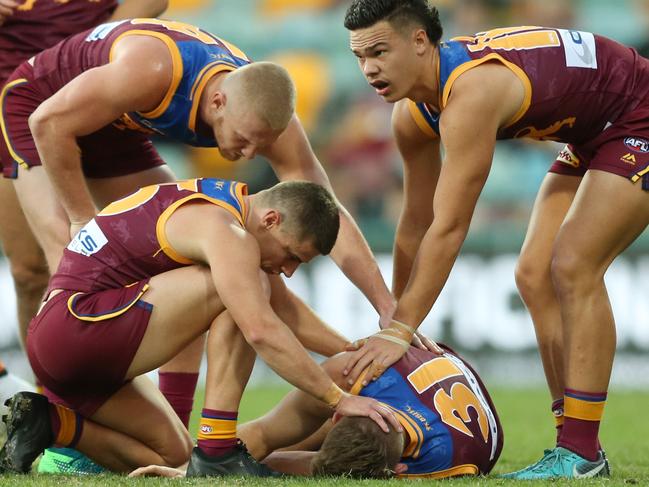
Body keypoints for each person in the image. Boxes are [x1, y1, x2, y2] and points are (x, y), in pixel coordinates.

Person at [0, 16, 396, 460]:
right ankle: (59, 434)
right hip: (41, 104)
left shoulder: (260, 105)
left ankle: (138, 427)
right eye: (244, 140)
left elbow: (321, 206)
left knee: (210, 275)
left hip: (115, 125)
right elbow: (48, 122)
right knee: (55, 261)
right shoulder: (151, 73)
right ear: (219, 100)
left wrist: (386, 310)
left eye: (260, 146)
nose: (248, 155)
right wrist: (79, 222)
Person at [341, 0, 649, 478]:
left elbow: (450, 226)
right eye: (360, 57)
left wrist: (401, 332)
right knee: (532, 275)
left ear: (421, 41)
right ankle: (574, 445)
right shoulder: (412, 116)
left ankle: (582, 454)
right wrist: (396, 318)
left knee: (572, 264)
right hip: (593, 129)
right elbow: (415, 222)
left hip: (638, 112)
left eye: (379, 51)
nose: (369, 68)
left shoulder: (472, 92)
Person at [0, 177, 400, 475]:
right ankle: (217, 450)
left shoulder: (228, 212)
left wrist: (356, 352)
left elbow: (287, 312)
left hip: (68, 341)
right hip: (77, 328)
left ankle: (51, 424)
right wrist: (337, 398)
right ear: (272, 219)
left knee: (175, 457)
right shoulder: (225, 231)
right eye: (292, 255)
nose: (290, 270)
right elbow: (261, 328)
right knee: (248, 291)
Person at [0, 0, 169, 403]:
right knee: (30, 273)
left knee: (168, 251)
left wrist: (92, 49)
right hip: (14, 92)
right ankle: (57, 413)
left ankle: (172, 416)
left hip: (96, 84)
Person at [130, 342, 503, 479]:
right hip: (421, 372)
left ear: (399, 470)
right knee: (269, 445)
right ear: (336, 415)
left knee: (294, 461)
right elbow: (262, 434)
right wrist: (189, 470)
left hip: (444, 374)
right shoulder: (345, 373)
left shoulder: (449, 465)